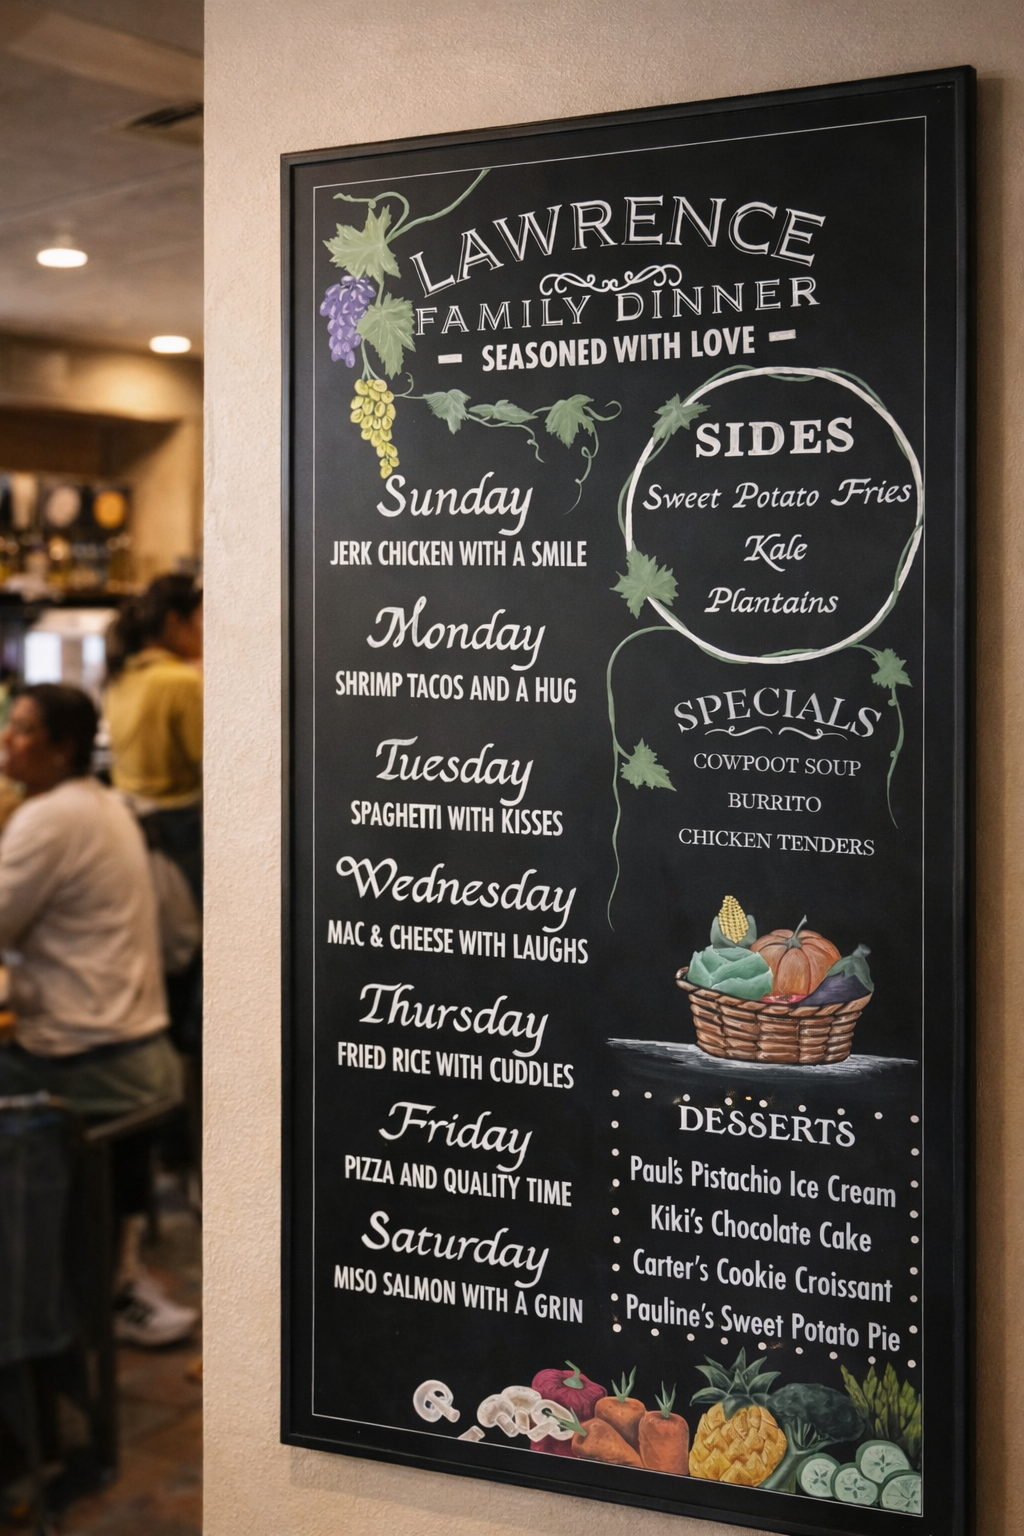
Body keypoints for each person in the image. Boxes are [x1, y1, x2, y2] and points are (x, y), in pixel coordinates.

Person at [0, 684, 197, 1345]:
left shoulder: (48, 818)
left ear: (62, 748)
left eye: (23, 729)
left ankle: (47, 1303)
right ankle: (106, 1277)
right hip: (139, 1049)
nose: (7, 739)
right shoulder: (100, 803)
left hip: (92, 1059)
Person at [104, 575, 203, 1055]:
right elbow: (214, 769)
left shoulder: (122, 676)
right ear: (174, 621)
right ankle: (192, 1059)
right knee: (195, 954)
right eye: (199, 620)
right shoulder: (180, 681)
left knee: (154, 949)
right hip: (180, 833)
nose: (203, 631)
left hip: (130, 827)